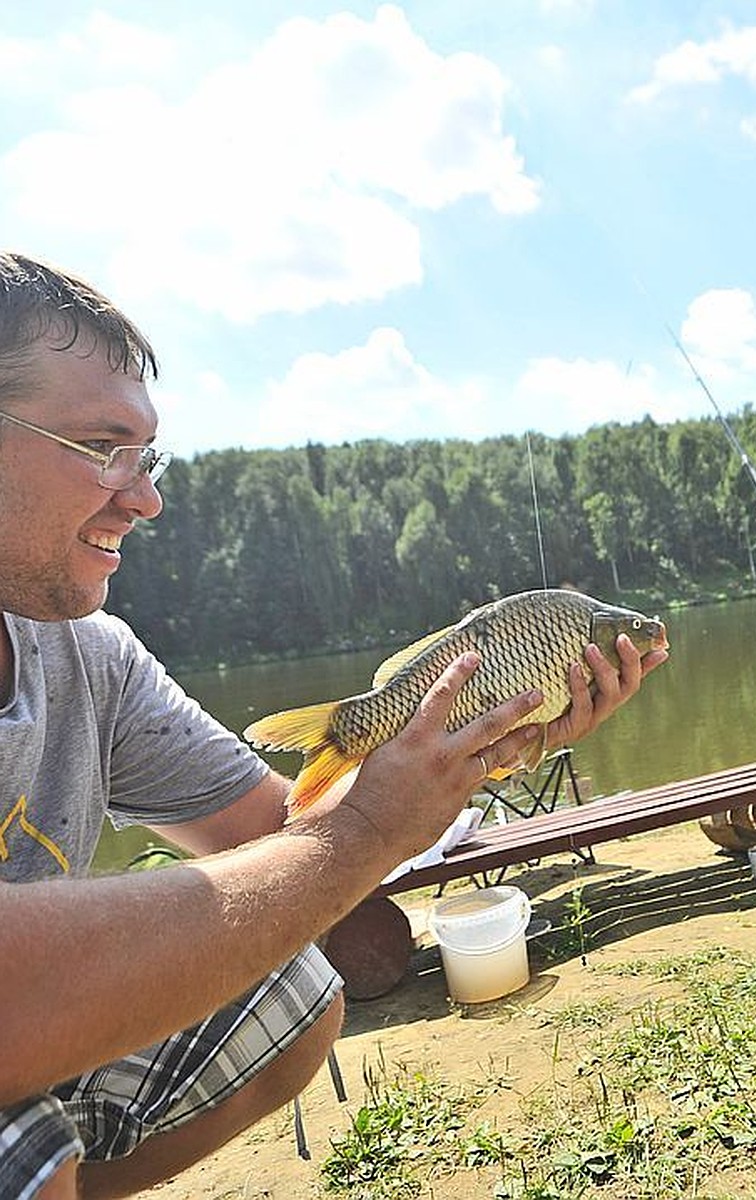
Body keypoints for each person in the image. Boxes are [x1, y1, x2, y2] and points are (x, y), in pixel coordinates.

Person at [0, 251, 668, 1200]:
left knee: (295, 999)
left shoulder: (87, 656)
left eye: (146, 460)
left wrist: (463, 753)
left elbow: (285, 838)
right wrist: (359, 833)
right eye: (100, 447)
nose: (143, 498)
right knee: (19, 1143)